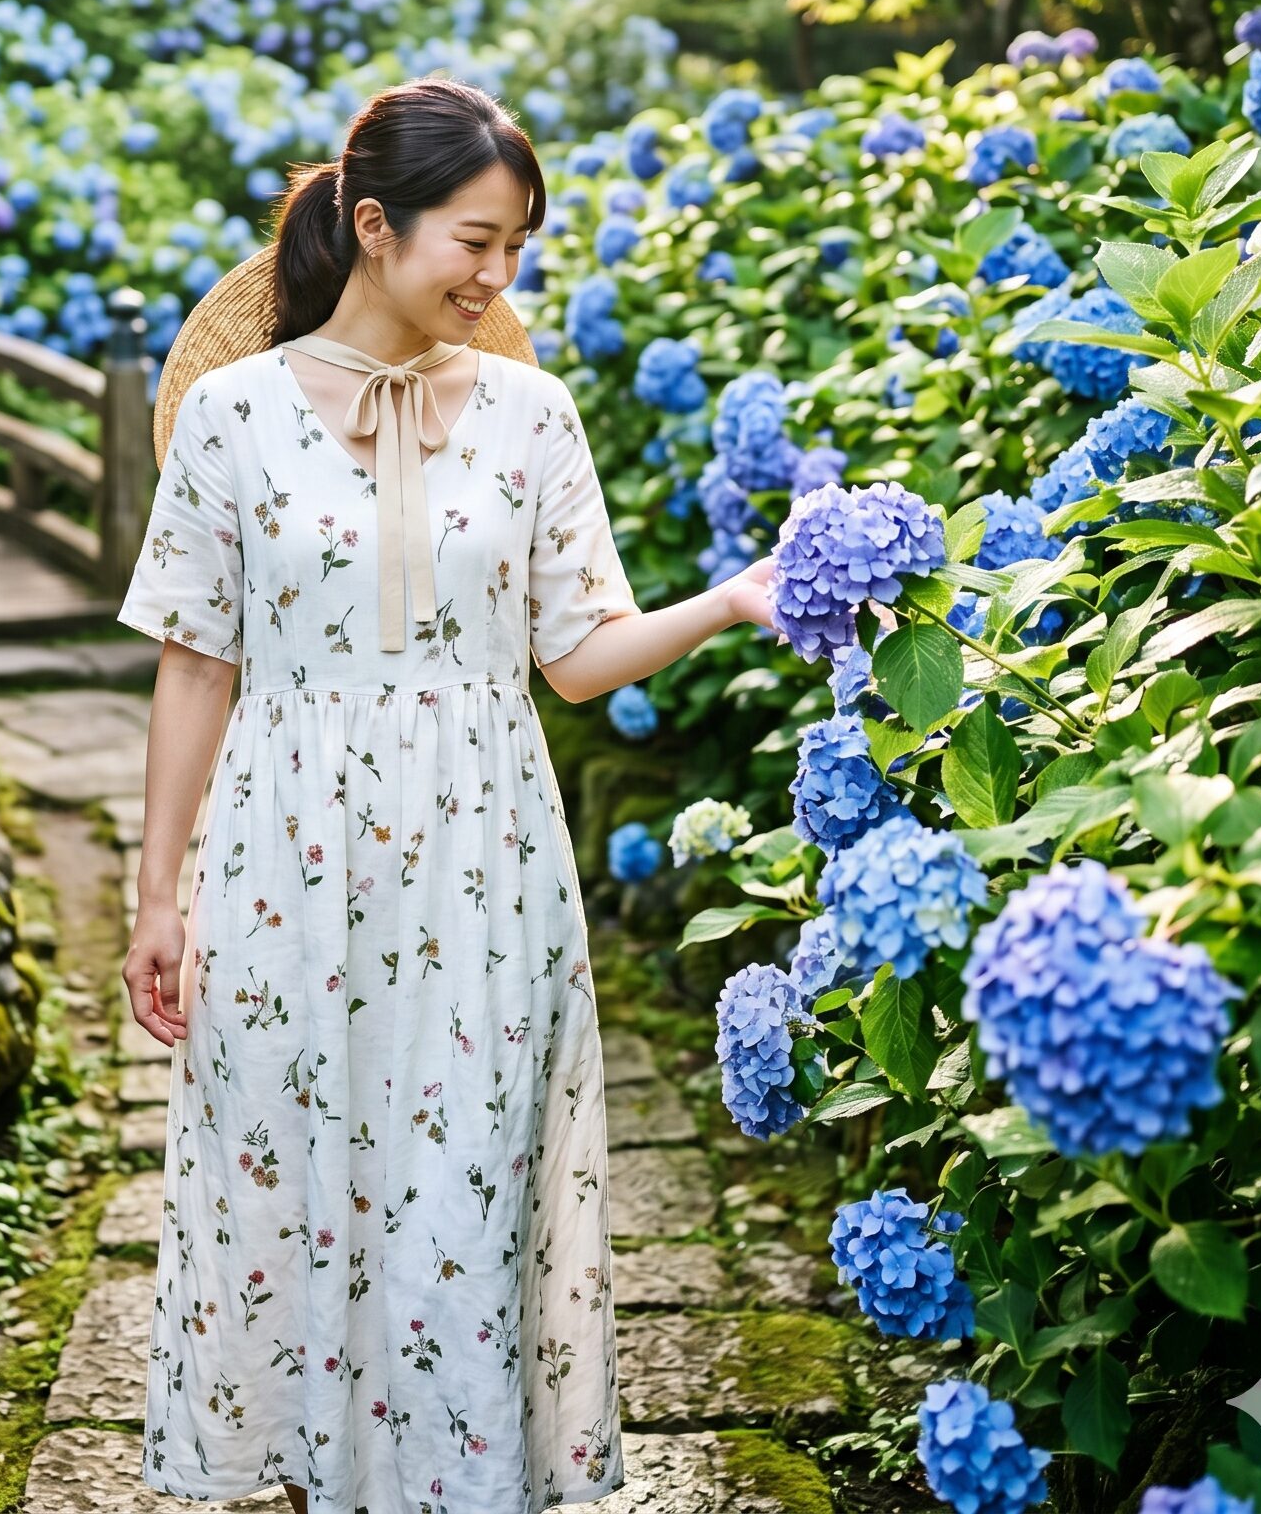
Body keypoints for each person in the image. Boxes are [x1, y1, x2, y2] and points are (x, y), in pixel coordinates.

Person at [116, 78, 776, 1514]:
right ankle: (303, 1484)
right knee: (285, 1167)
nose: (496, 275)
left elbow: (580, 660)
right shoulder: (231, 417)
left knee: (465, 1186)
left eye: (518, 247)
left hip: (486, 853)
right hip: (285, 845)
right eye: (474, 240)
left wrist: (732, 600)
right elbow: (194, 666)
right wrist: (156, 897)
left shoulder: (536, 417)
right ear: (373, 226)